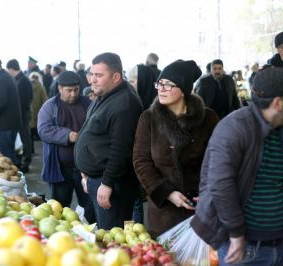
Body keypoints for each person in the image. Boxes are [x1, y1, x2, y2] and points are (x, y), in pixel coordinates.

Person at [192, 67, 283, 266]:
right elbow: (221, 185)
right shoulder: (234, 128)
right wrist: (236, 234)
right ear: (278, 103)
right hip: (247, 247)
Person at [132, 60, 219, 237]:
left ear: (184, 89)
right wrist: (167, 193)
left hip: (201, 207)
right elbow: (141, 162)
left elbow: (219, 160)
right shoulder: (148, 118)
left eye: (168, 84)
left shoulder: (208, 118)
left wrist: (210, 192)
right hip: (164, 211)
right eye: (160, 83)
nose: (161, 89)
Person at [75, 52, 142, 229]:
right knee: (103, 232)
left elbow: (121, 150)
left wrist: (106, 183)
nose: (92, 80)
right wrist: (86, 173)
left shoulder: (125, 104)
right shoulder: (107, 94)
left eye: (99, 75)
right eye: (91, 74)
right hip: (96, 178)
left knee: (111, 236)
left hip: (112, 185)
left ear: (116, 77)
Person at [38, 71, 95, 223]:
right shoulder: (50, 107)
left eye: (76, 89)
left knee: (90, 206)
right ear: (60, 89)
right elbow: (44, 130)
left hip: (85, 167)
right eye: (69, 90)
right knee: (60, 208)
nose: (73, 94)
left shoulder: (88, 104)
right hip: (60, 167)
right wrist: (68, 135)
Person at [6, 59, 33, 173]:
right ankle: (23, 160)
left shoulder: (23, 81)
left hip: (22, 115)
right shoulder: (19, 79)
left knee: (25, 139)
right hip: (20, 115)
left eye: (8, 70)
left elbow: (24, 102)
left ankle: (26, 163)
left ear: (12, 69)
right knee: (23, 139)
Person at [29, 72, 48, 152]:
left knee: (29, 134)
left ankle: (31, 150)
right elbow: (45, 100)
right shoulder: (41, 87)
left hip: (29, 113)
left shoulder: (27, 86)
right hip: (38, 113)